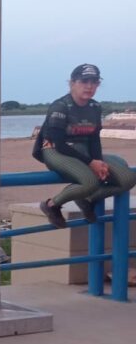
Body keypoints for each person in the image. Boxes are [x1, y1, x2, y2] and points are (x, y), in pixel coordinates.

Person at [33, 64, 136, 228]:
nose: (89, 86)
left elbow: (95, 139)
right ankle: (52, 205)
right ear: (72, 83)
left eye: (94, 82)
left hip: (85, 151)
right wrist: (91, 163)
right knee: (89, 182)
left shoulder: (95, 107)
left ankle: (86, 198)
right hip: (55, 151)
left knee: (128, 178)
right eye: (84, 81)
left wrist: (97, 160)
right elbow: (59, 144)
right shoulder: (60, 106)